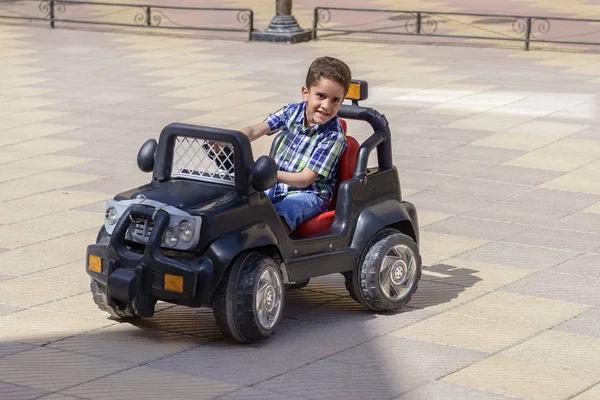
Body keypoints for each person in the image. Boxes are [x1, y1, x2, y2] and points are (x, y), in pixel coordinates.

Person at [240, 56, 351, 234]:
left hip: (310, 195)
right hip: (276, 185)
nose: (326, 106)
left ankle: (274, 255)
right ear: (306, 93)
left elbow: (306, 178)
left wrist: (270, 175)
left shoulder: (333, 137)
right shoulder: (292, 112)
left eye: (335, 100)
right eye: (321, 96)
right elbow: (255, 131)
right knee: (243, 204)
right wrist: (232, 140)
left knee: (282, 212)